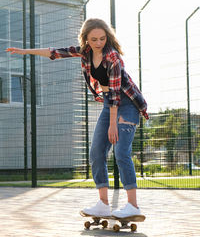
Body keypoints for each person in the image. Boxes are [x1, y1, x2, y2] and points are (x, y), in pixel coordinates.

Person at [6, 18, 149, 218]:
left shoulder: (113, 57)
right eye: (94, 39)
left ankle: (133, 205)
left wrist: (113, 125)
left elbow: (116, 93)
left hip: (126, 105)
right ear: (86, 40)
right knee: (96, 152)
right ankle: (103, 203)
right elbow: (55, 52)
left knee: (121, 153)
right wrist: (25, 52)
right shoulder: (85, 52)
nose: (99, 42)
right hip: (110, 104)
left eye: (102, 38)